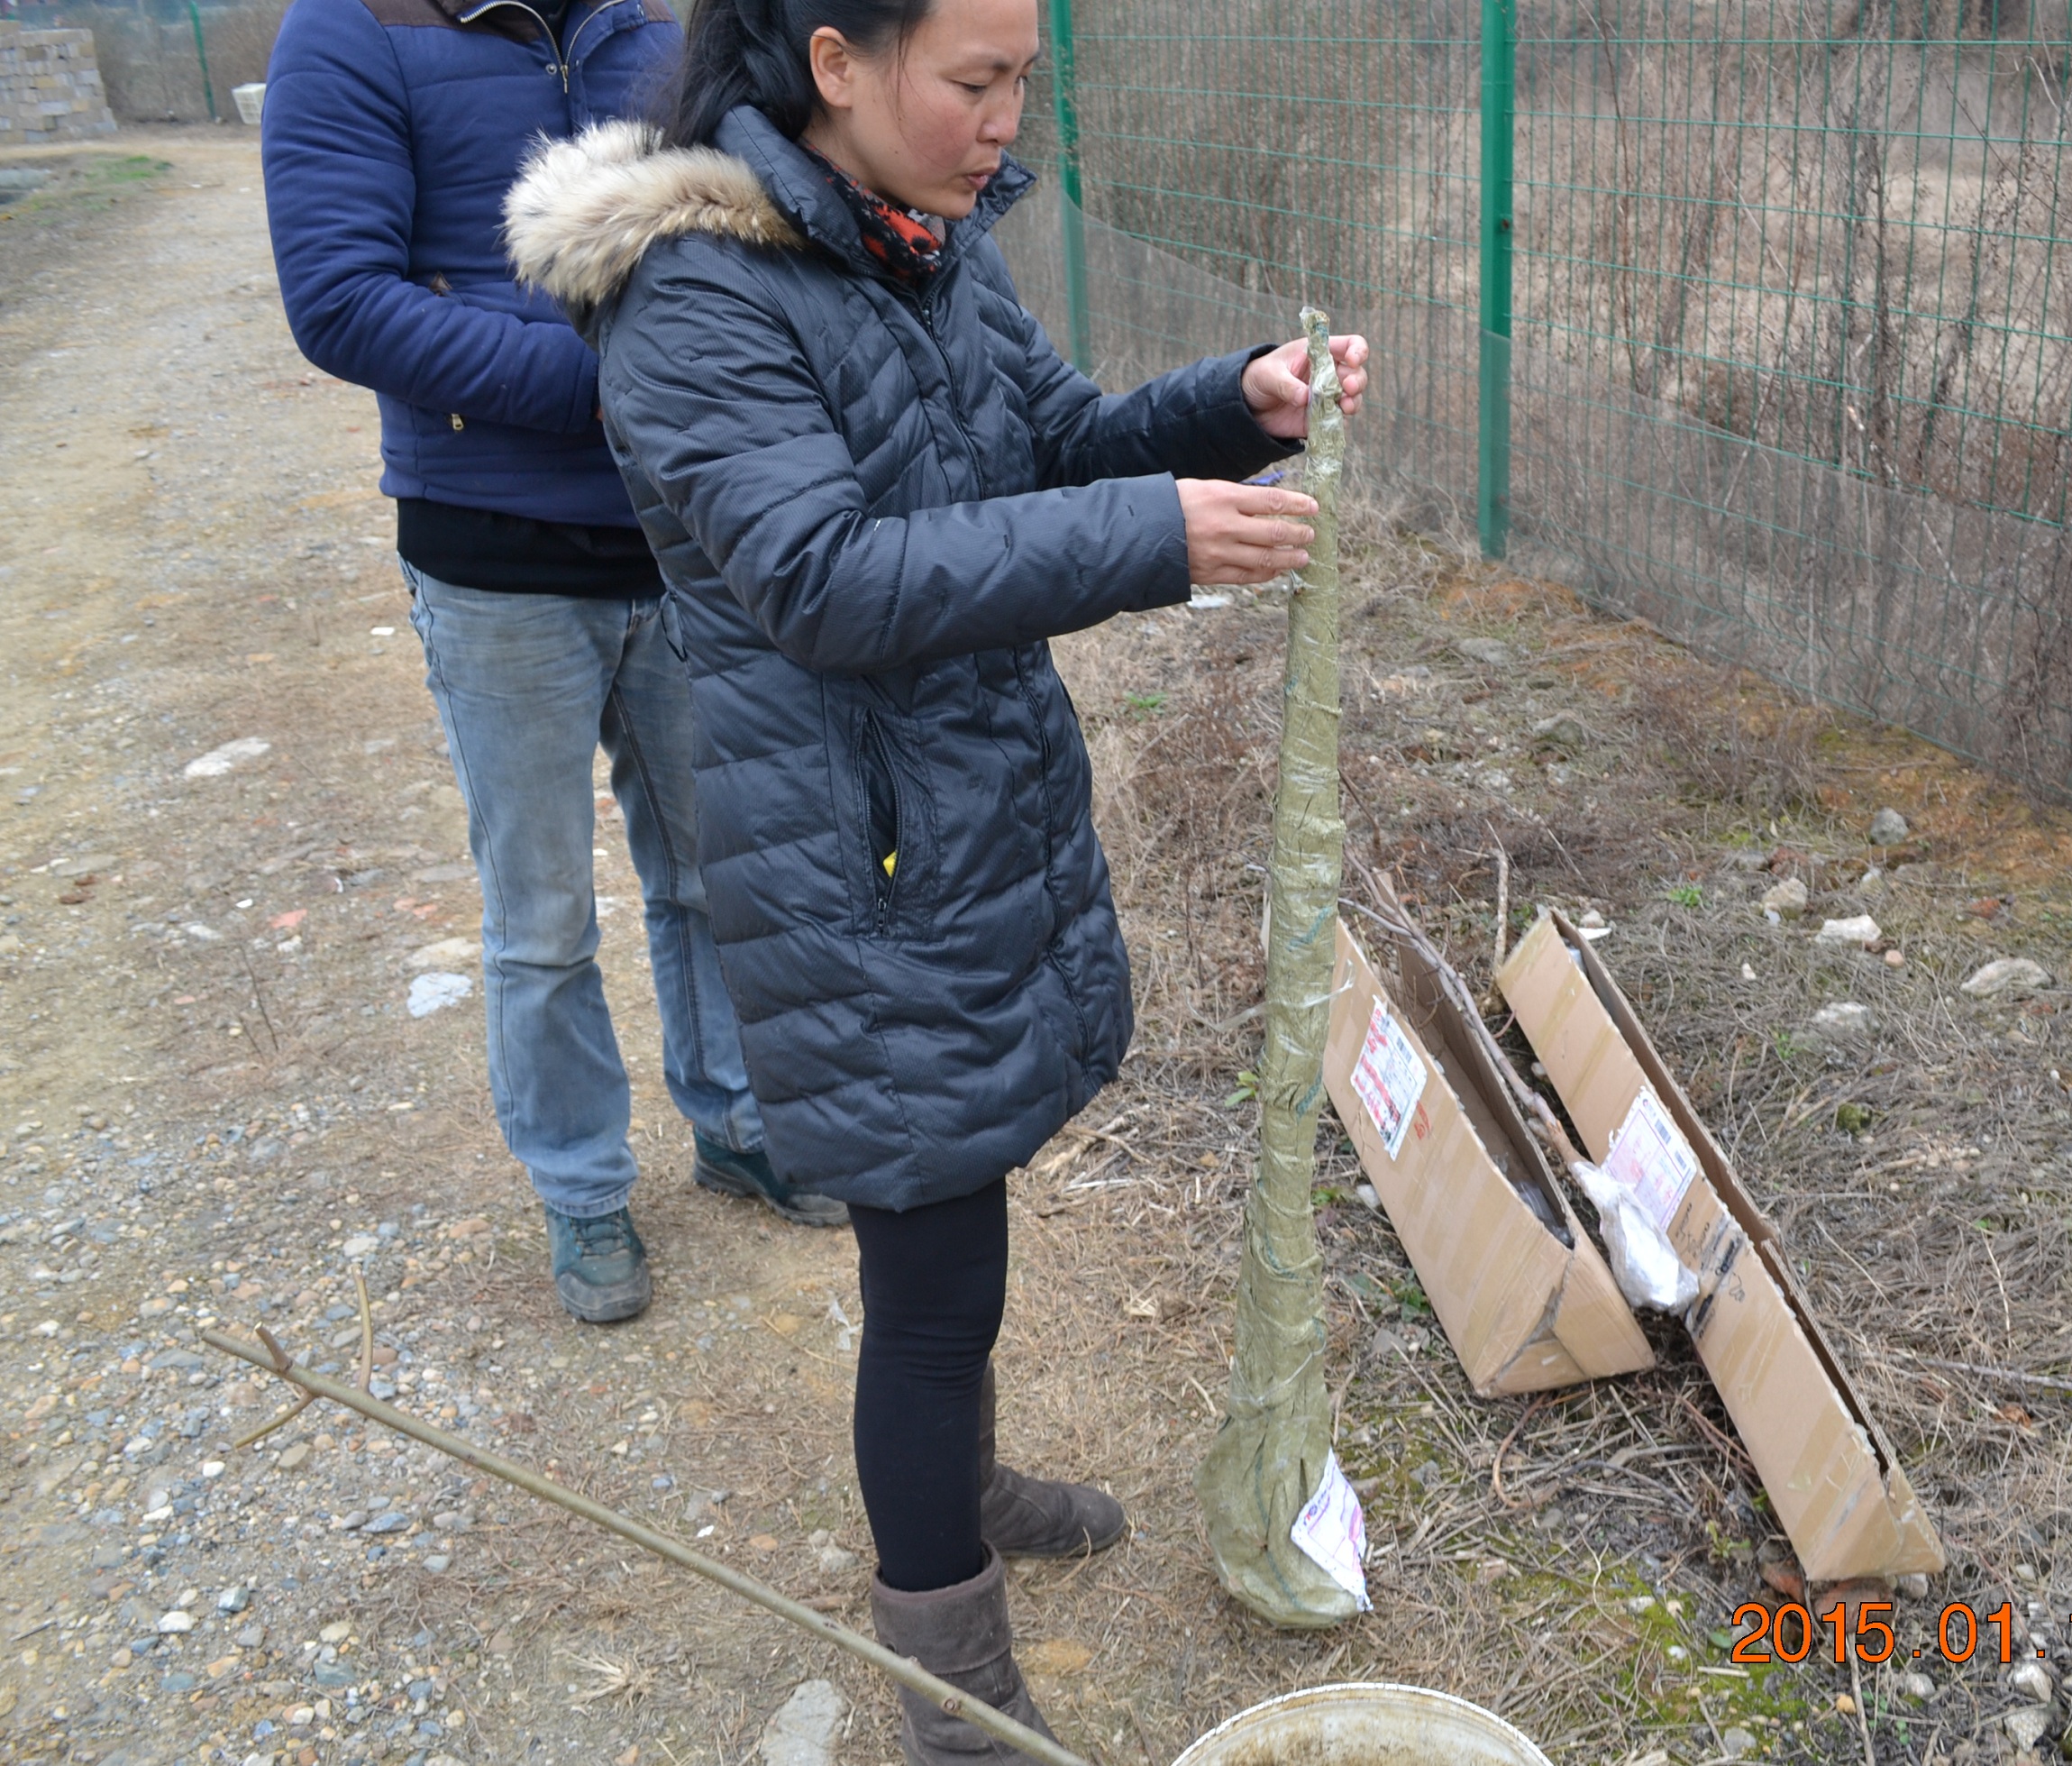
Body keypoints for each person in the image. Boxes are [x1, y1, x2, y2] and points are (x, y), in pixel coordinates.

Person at [501, 0, 1367, 1750]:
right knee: (928, 1281)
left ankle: (958, 1498)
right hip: (847, 865)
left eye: (1018, 83)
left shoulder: (925, 242)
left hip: (957, 824)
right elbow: (819, 577)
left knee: (955, 1218)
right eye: (971, 80)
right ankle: (942, 1664)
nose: (1000, 121)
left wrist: (1230, 408)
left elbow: (1047, 442)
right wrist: (1157, 541)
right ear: (834, 60)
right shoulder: (694, 296)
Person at [260, 0, 852, 1327]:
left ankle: (740, 1122)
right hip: (491, 555)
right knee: (539, 919)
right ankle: (583, 1189)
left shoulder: (650, 32)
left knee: (718, 872)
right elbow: (346, 302)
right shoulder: (350, 34)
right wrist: (629, 376)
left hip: (681, 534)